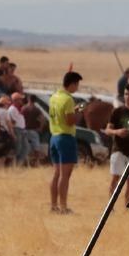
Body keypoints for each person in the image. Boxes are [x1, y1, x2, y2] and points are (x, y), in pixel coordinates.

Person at [49, 71, 83, 214]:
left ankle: (53, 205)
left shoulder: (54, 96)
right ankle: (63, 207)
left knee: (56, 173)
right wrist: (79, 113)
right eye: (77, 85)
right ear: (72, 84)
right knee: (65, 175)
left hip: (54, 137)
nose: (77, 88)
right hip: (66, 138)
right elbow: (70, 121)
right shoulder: (69, 99)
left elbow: (61, 115)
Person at [8, 92, 33, 167]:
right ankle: (15, 165)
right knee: (18, 149)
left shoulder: (17, 109)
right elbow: (14, 122)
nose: (22, 100)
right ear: (15, 100)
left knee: (26, 148)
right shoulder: (12, 109)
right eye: (20, 99)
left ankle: (18, 164)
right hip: (17, 130)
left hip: (21, 130)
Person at [21, 95, 48, 165]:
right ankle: (36, 162)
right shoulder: (36, 109)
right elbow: (43, 119)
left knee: (24, 146)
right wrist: (40, 128)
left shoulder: (23, 108)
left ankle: (24, 161)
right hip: (33, 131)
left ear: (28, 99)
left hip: (24, 130)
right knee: (36, 147)